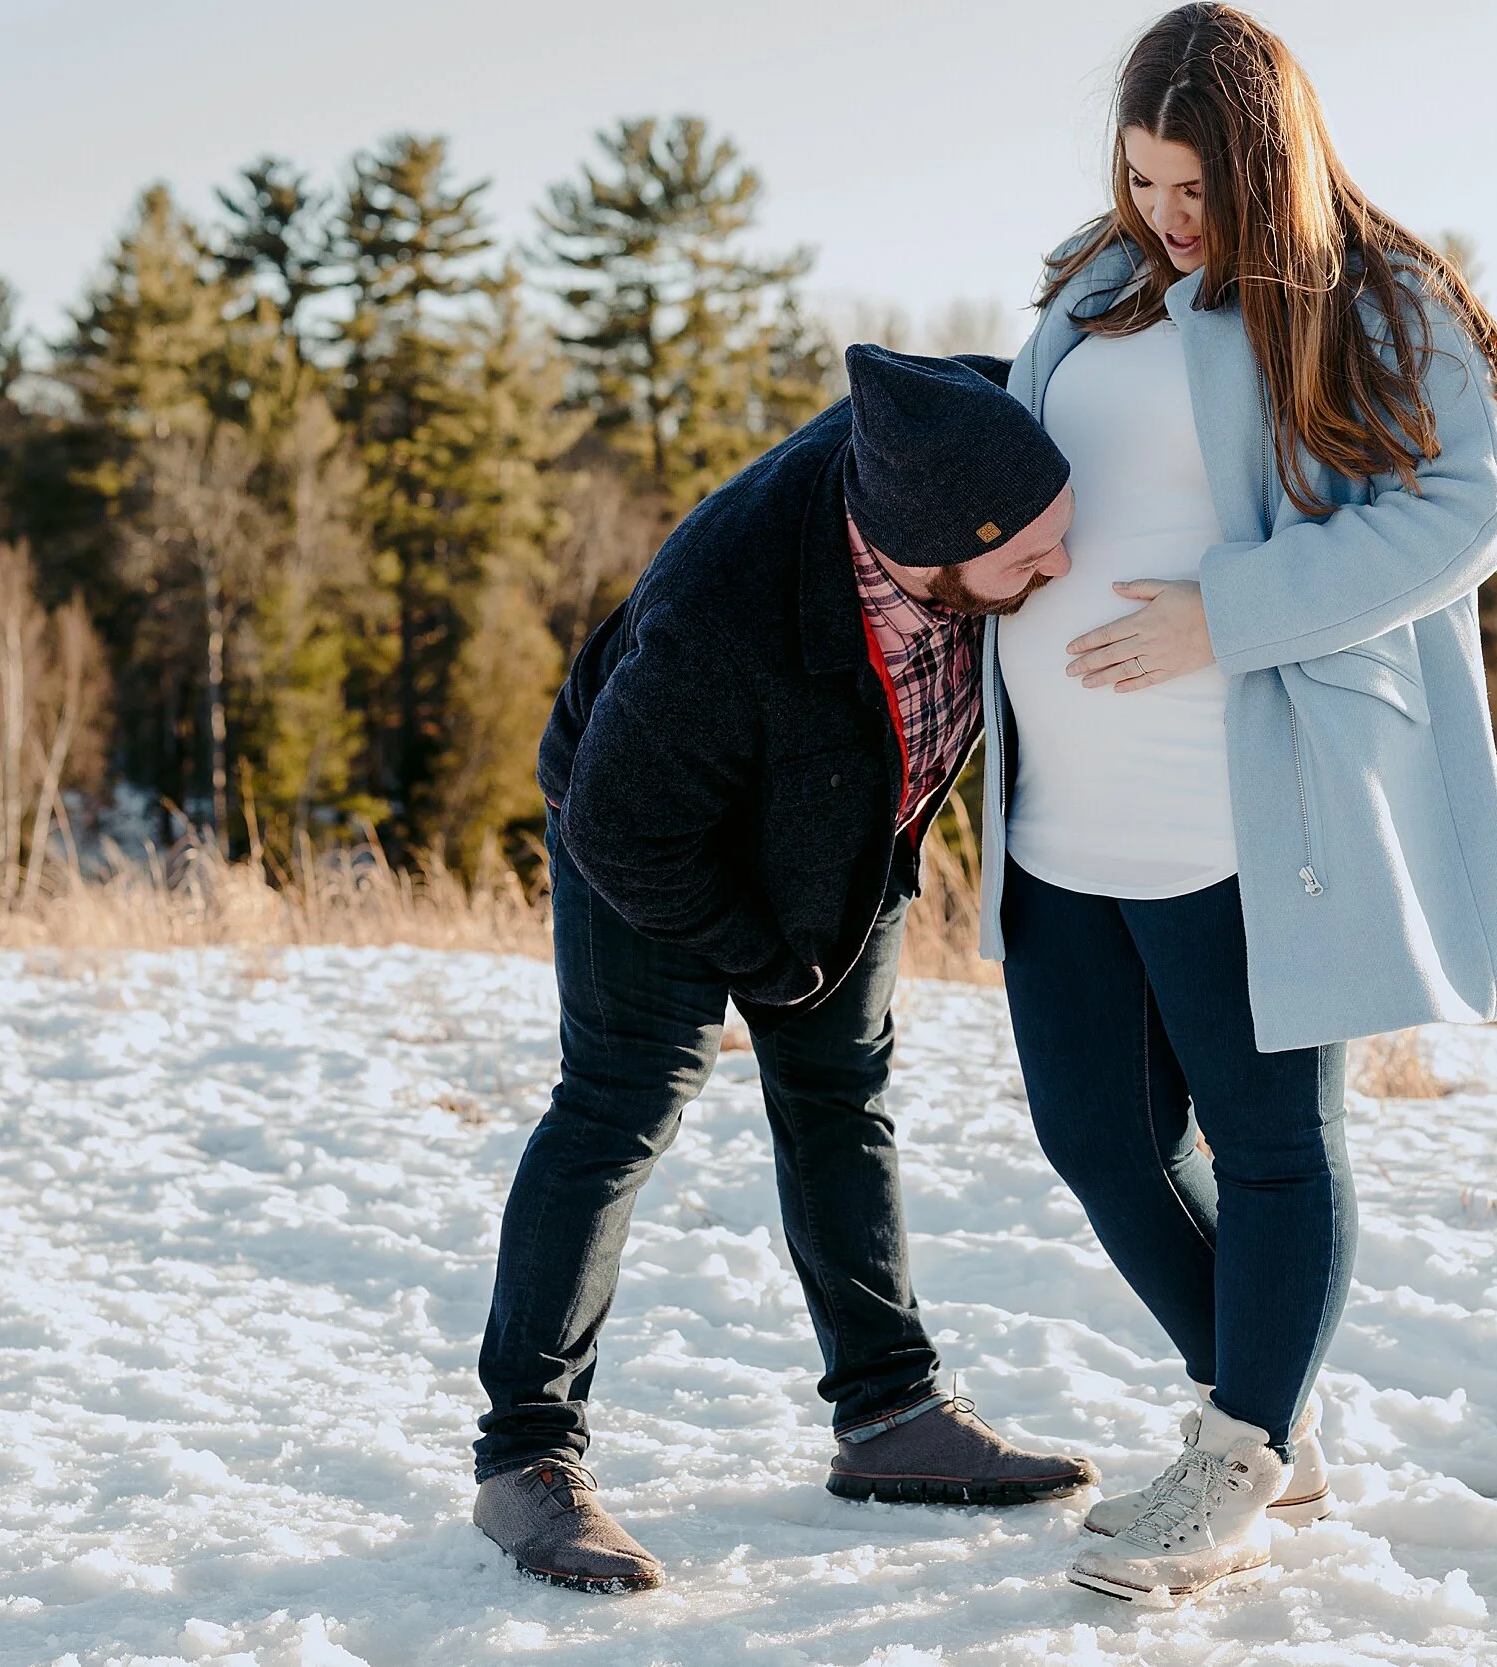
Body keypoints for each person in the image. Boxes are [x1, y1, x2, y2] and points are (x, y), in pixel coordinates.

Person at [979, 4, 1497, 1604]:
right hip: (1063, 812)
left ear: (1270, 165)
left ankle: (1237, 1454)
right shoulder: (1097, 283)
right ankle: (1270, 1409)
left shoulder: (1376, 299)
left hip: (1245, 804)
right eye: (1148, 178)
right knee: (1099, 1138)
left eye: (1200, 187)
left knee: (1274, 1146)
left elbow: (1459, 515)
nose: (1170, 214)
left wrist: (1221, 613)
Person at [471, 345, 1099, 1594]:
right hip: (657, 831)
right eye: (1027, 557)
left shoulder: (960, 434)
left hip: (839, 836)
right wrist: (764, 959)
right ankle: (526, 1460)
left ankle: (889, 1416)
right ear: (927, 548)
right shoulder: (725, 611)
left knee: (840, 1104)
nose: (1059, 568)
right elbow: (618, 828)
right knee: (620, 1105)